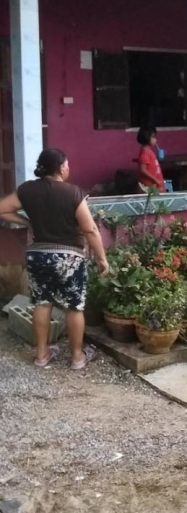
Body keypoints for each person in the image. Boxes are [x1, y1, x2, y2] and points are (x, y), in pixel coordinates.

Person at [0, 148, 108, 370]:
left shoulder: (27, 189)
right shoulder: (73, 193)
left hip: (38, 255)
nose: (68, 168)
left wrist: (26, 222)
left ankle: (42, 355)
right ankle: (77, 358)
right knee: (74, 307)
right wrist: (102, 259)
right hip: (68, 257)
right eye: (67, 165)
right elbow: (90, 230)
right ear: (60, 168)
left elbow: (2, 209)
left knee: (42, 302)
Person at [136, 125, 166, 193]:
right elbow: (142, 170)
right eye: (153, 137)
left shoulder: (148, 151)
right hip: (150, 188)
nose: (156, 140)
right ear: (146, 137)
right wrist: (156, 180)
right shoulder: (145, 152)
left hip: (154, 187)